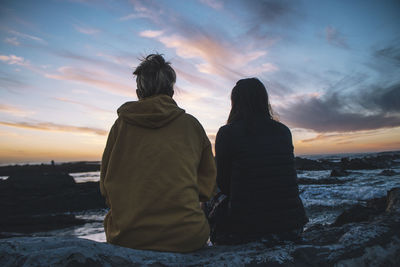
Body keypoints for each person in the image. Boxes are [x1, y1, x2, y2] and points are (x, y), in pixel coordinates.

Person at [100, 54, 216, 252]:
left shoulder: (120, 126)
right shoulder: (192, 125)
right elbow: (207, 188)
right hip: (186, 236)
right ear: (171, 91)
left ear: (138, 93)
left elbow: (105, 186)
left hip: (127, 237)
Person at [210, 78, 308, 245]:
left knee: (210, 195)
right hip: (292, 228)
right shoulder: (283, 131)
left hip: (246, 232)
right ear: (264, 100)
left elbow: (224, 184)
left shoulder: (227, 133)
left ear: (235, 103)